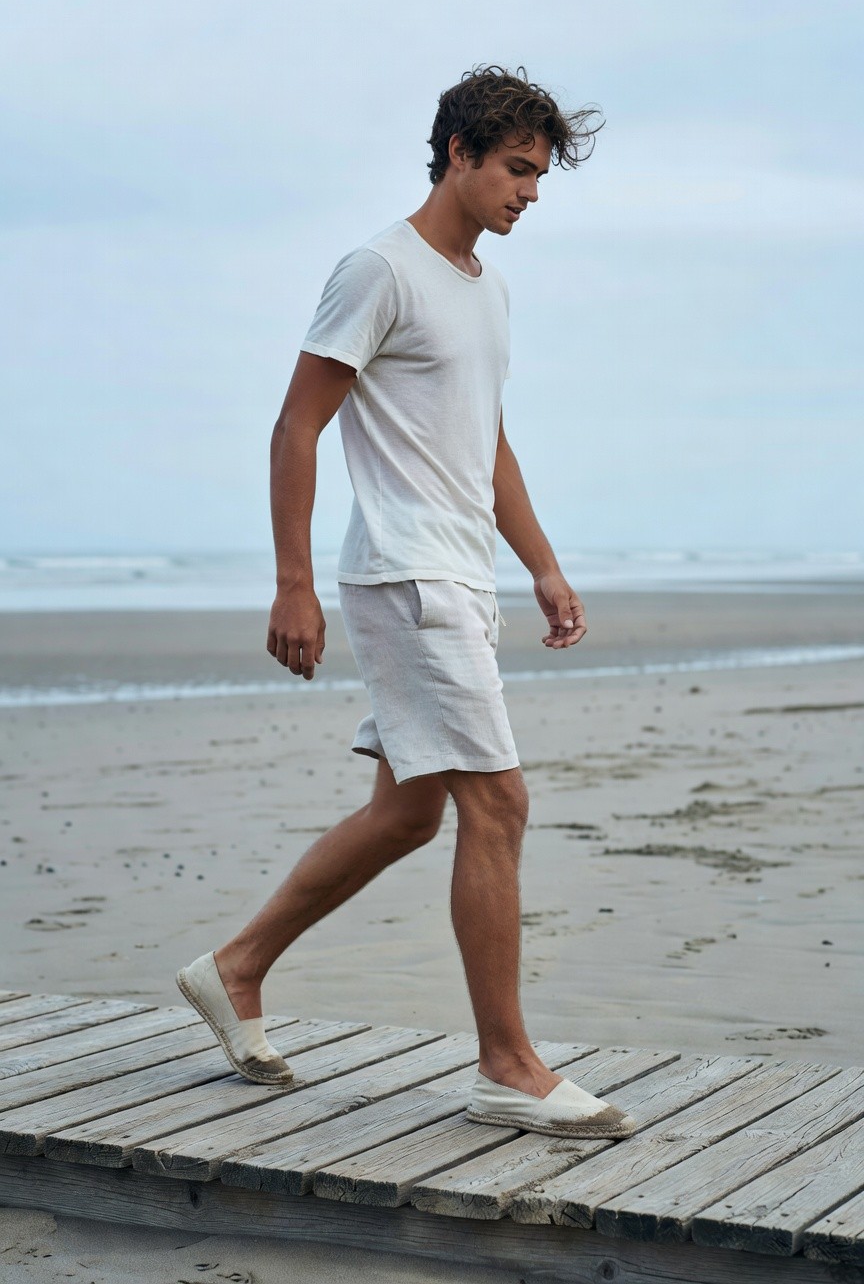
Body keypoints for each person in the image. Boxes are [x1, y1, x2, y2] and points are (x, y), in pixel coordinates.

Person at [177, 65, 635, 1140]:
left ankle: (233, 972)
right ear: (459, 156)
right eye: (517, 170)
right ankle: (506, 1066)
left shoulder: (485, 287)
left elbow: (487, 442)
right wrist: (293, 581)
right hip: (404, 573)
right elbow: (298, 425)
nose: (531, 193)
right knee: (500, 803)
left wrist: (543, 564)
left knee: (407, 812)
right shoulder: (378, 270)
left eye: (540, 175)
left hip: (459, 573)